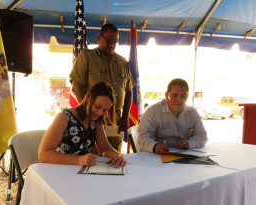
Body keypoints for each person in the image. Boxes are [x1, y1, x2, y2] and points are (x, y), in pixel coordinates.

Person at [69, 23, 136, 153]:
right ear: (99, 37)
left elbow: (129, 91)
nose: (111, 44)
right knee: (92, 155)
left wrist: (125, 116)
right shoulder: (86, 56)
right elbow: (76, 87)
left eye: (115, 42)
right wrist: (87, 112)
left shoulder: (123, 62)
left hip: (116, 118)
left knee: (113, 156)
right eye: (108, 41)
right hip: (93, 115)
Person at [38, 82, 126, 167]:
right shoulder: (64, 117)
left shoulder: (96, 121)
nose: (99, 112)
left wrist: (117, 156)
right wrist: (78, 160)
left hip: (77, 172)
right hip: (55, 171)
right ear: (88, 96)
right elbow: (43, 154)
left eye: (104, 110)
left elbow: (105, 148)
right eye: (97, 106)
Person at [138, 78, 208, 155]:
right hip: (157, 157)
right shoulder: (153, 111)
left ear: (188, 96)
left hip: (185, 156)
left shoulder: (192, 112)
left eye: (183, 96)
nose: (179, 100)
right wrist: (155, 146)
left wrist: (189, 143)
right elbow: (142, 137)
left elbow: (202, 135)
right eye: (175, 95)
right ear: (166, 95)